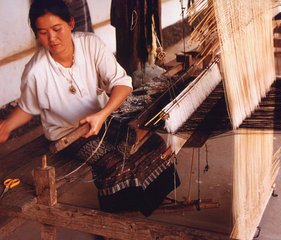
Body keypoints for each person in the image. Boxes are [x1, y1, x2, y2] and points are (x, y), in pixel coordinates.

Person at [0, 0, 180, 217]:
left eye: (57, 29)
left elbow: (122, 84)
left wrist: (102, 115)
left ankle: (151, 199)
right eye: (43, 32)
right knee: (115, 164)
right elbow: (28, 107)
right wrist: (7, 126)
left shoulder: (90, 45)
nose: (52, 38)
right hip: (68, 135)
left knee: (149, 141)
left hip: (103, 119)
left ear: (71, 23)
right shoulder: (36, 71)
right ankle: (115, 221)